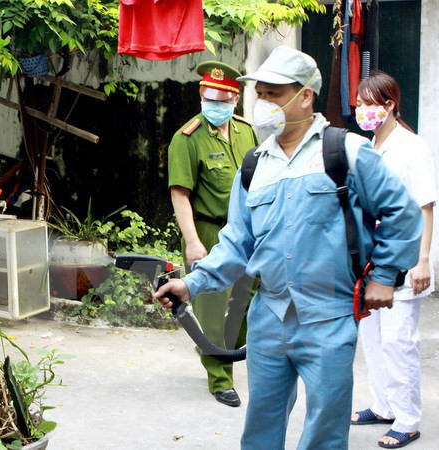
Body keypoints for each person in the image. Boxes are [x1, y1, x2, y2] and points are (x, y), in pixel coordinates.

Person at [155, 46, 423, 449]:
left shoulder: (345, 151)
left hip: (329, 314)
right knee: (261, 422)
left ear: (305, 96)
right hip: (270, 315)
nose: (263, 103)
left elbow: (403, 213)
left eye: (273, 94)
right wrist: (191, 284)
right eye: (259, 93)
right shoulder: (254, 165)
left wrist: (385, 277)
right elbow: (236, 243)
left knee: (325, 427)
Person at [351, 72, 435, 449]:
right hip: (373, 260)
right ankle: (384, 406)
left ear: (390, 105)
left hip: (403, 261)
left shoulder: (411, 147)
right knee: (373, 338)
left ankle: (408, 418)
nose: (365, 110)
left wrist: (423, 261)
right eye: (360, 102)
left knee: (398, 341)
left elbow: (425, 206)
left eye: (373, 103)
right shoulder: (369, 145)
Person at [167, 61, 258, 407]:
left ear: (235, 100)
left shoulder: (246, 131)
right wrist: (192, 241)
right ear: (201, 95)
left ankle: (225, 352)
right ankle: (220, 377)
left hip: (244, 231)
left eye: (223, 99)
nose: (215, 105)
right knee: (210, 306)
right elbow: (180, 194)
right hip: (207, 229)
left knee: (246, 302)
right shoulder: (186, 138)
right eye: (209, 97)